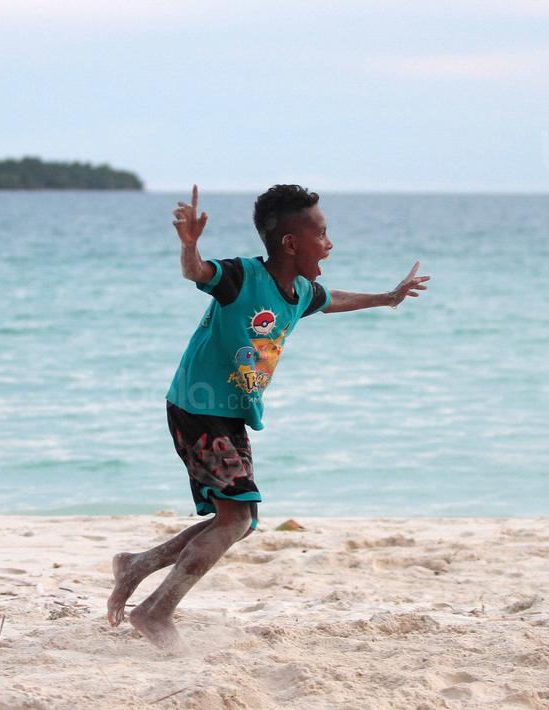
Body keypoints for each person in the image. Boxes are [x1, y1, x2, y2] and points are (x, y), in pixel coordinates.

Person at [106, 184, 430, 650]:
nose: (330, 243)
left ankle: (137, 563)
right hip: (197, 407)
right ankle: (156, 612)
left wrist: (387, 297)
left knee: (240, 517)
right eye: (322, 233)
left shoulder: (299, 292)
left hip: (229, 413)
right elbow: (196, 271)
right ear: (291, 243)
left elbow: (332, 299)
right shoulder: (241, 277)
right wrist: (189, 244)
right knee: (236, 518)